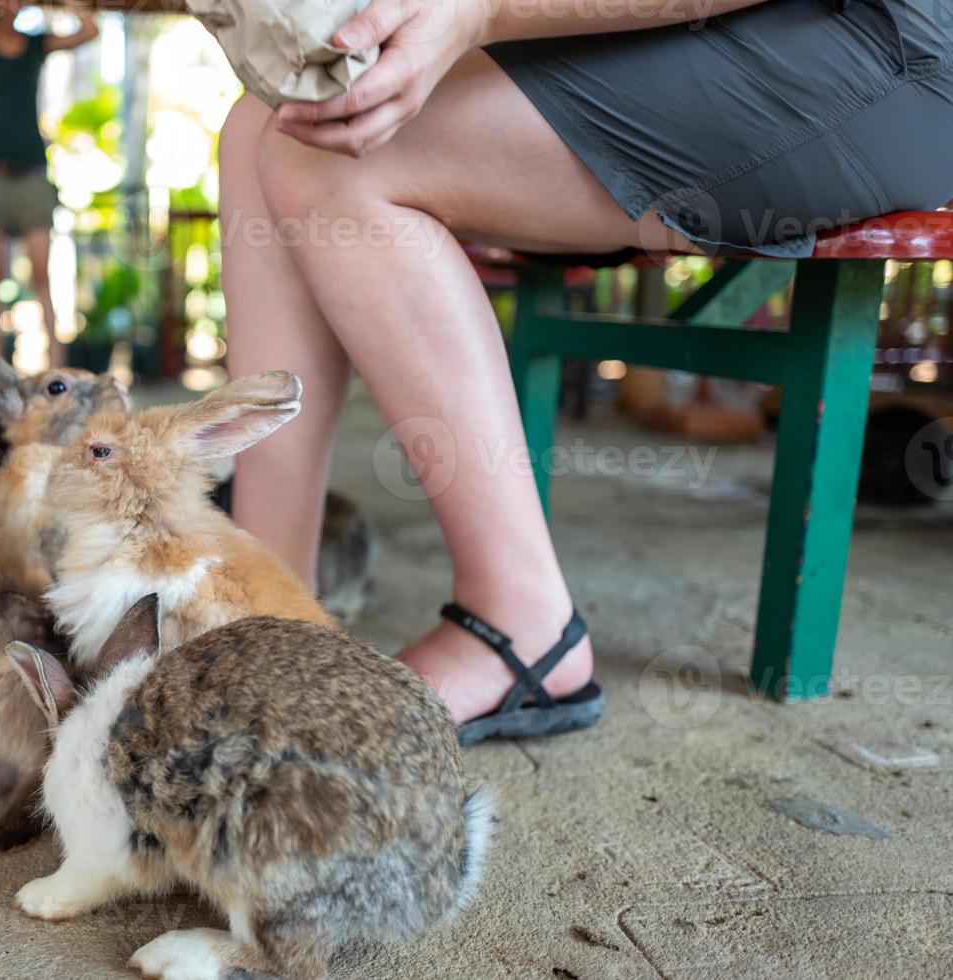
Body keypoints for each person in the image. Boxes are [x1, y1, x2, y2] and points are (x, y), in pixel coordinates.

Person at [218, 0, 953, 741]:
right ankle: (265, 615)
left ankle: (522, 628)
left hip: (891, 44)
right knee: (273, 117)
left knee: (330, 153)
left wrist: (483, 13)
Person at [0, 1, 97, 366]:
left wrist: (71, 6)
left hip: (30, 174)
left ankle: (57, 365)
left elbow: (89, 31)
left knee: (42, 273)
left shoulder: (38, 43)